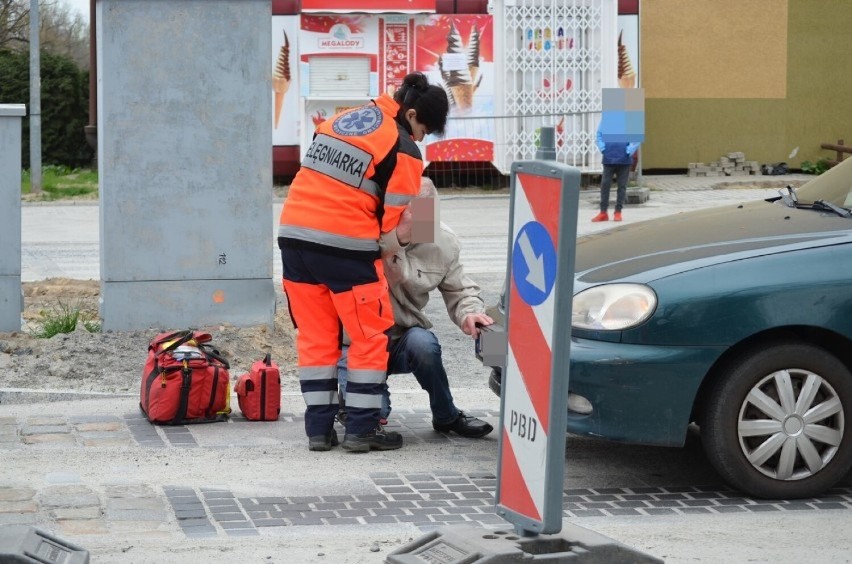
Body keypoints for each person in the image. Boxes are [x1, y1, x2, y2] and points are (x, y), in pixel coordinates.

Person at [278, 73, 449, 453]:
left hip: (293, 237)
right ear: (412, 115)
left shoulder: (343, 119)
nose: (421, 139)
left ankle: (319, 432)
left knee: (317, 338)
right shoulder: (404, 148)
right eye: (423, 130)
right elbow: (391, 222)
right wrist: (399, 240)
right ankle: (361, 429)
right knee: (369, 337)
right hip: (346, 246)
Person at [337, 178, 494, 439]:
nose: (416, 219)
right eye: (407, 211)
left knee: (424, 344)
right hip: (357, 341)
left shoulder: (443, 242)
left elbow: (460, 289)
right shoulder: (366, 233)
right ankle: (351, 403)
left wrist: (469, 313)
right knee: (368, 417)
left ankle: (447, 415)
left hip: (401, 338)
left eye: (424, 211)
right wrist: (395, 239)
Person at [592, 123, 640, 222]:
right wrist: (603, 148)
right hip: (608, 158)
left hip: (624, 159)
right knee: (605, 185)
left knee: (622, 186)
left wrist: (628, 151)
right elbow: (599, 134)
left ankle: (618, 212)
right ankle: (603, 212)